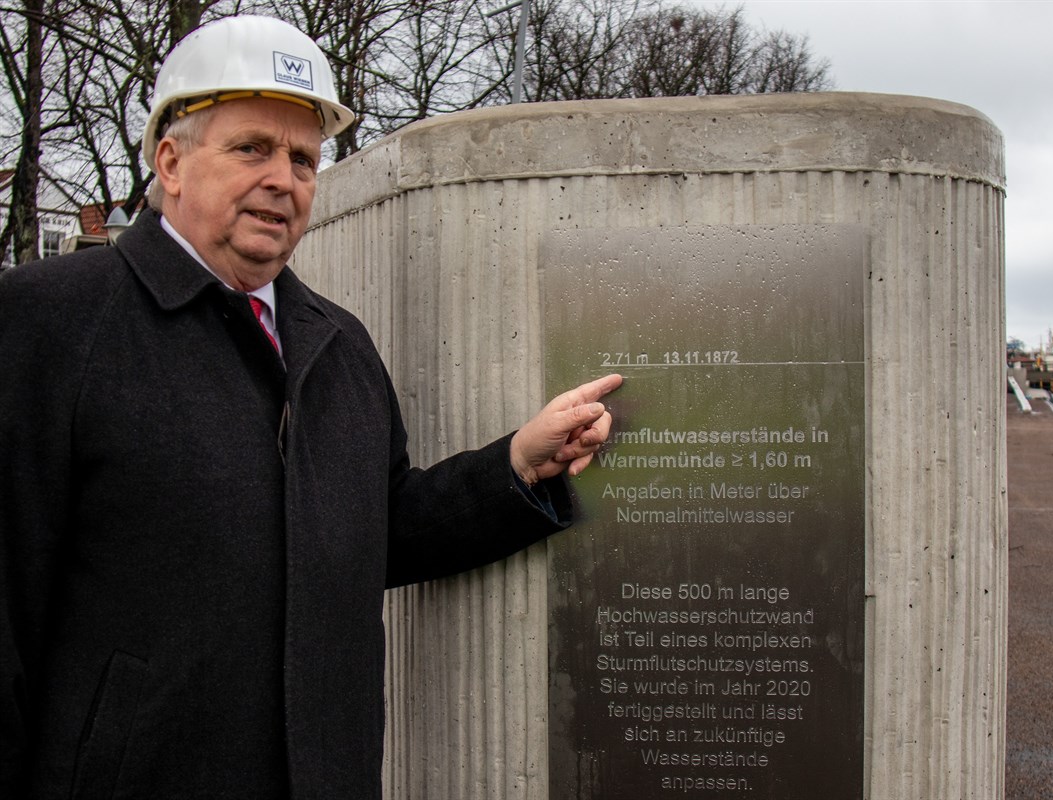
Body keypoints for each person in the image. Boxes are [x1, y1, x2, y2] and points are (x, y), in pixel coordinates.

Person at [0, 15, 621, 799]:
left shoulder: (337, 344)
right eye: (252, 148)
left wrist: (516, 466)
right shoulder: (47, 323)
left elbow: (379, 531)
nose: (284, 179)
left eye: (303, 158)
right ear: (172, 161)